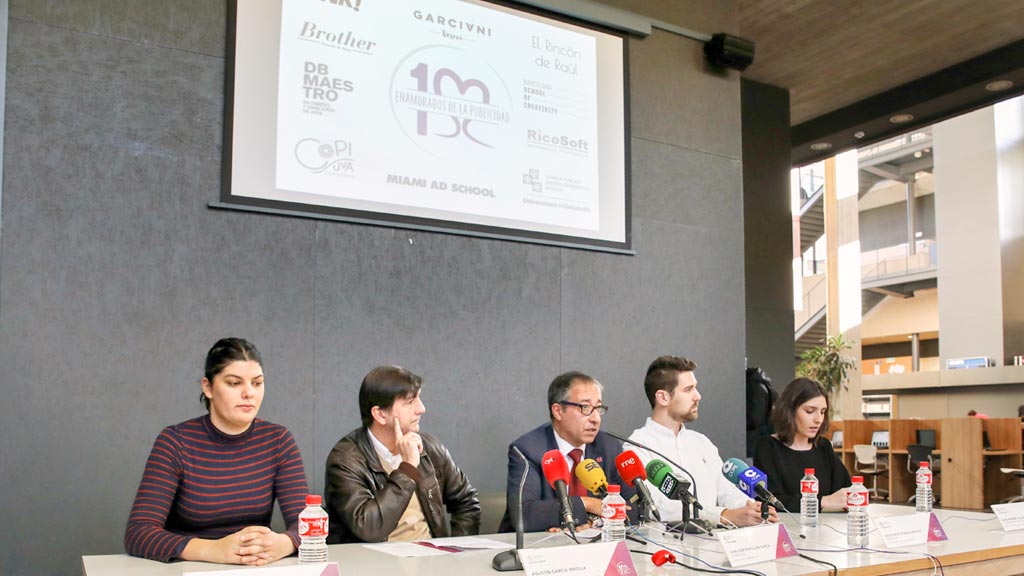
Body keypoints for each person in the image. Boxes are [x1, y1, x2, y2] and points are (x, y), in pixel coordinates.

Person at [124, 338, 310, 564]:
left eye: (257, 383)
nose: (249, 393)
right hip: (190, 568)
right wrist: (212, 550)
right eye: (234, 383)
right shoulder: (175, 442)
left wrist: (285, 543)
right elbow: (138, 533)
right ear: (208, 387)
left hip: (255, 568)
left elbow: (308, 524)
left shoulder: (278, 440)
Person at [324, 365, 480, 543]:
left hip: (432, 561)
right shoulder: (346, 459)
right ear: (380, 414)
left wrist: (456, 551)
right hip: (374, 565)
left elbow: (466, 502)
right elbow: (369, 528)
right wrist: (408, 468)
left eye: (418, 399)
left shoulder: (430, 448)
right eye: (409, 402)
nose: (421, 408)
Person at [629, 355, 777, 528]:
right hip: (667, 548)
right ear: (663, 397)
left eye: (696, 388)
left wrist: (750, 507)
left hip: (716, 544)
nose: (697, 396)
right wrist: (723, 515)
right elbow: (657, 505)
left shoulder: (701, 442)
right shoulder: (637, 446)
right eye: (688, 390)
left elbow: (725, 489)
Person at [499, 371, 636, 533]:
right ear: (558, 411)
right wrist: (588, 503)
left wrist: (595, 523)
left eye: (598, 408)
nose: (596, 419)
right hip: (535, 549)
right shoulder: (528, 449)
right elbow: (525, 515)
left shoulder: (608, 447)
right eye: (585, 407)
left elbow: (634, 508)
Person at [753, 377, 852, 513]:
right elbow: (768, 500)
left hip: (828, 528)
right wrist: (822, 502)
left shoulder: (823, 446)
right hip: (788, 528)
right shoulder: (768, 447)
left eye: (822, 412)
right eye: (810, 411)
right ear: (790, 411)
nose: (818, 419)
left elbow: (846, 489)